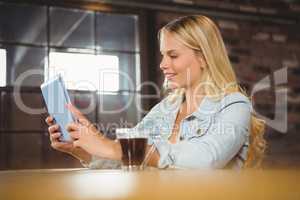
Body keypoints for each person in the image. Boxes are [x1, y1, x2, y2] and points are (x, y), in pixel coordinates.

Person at [46, 15, 266, 169]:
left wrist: (112, 147)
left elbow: (205, 160)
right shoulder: (166, 109)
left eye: (173, 55)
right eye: (163, 55)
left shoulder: (234, 105)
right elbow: (130, 158)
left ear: (203, 57)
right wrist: (79, 148)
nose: (162, 64)